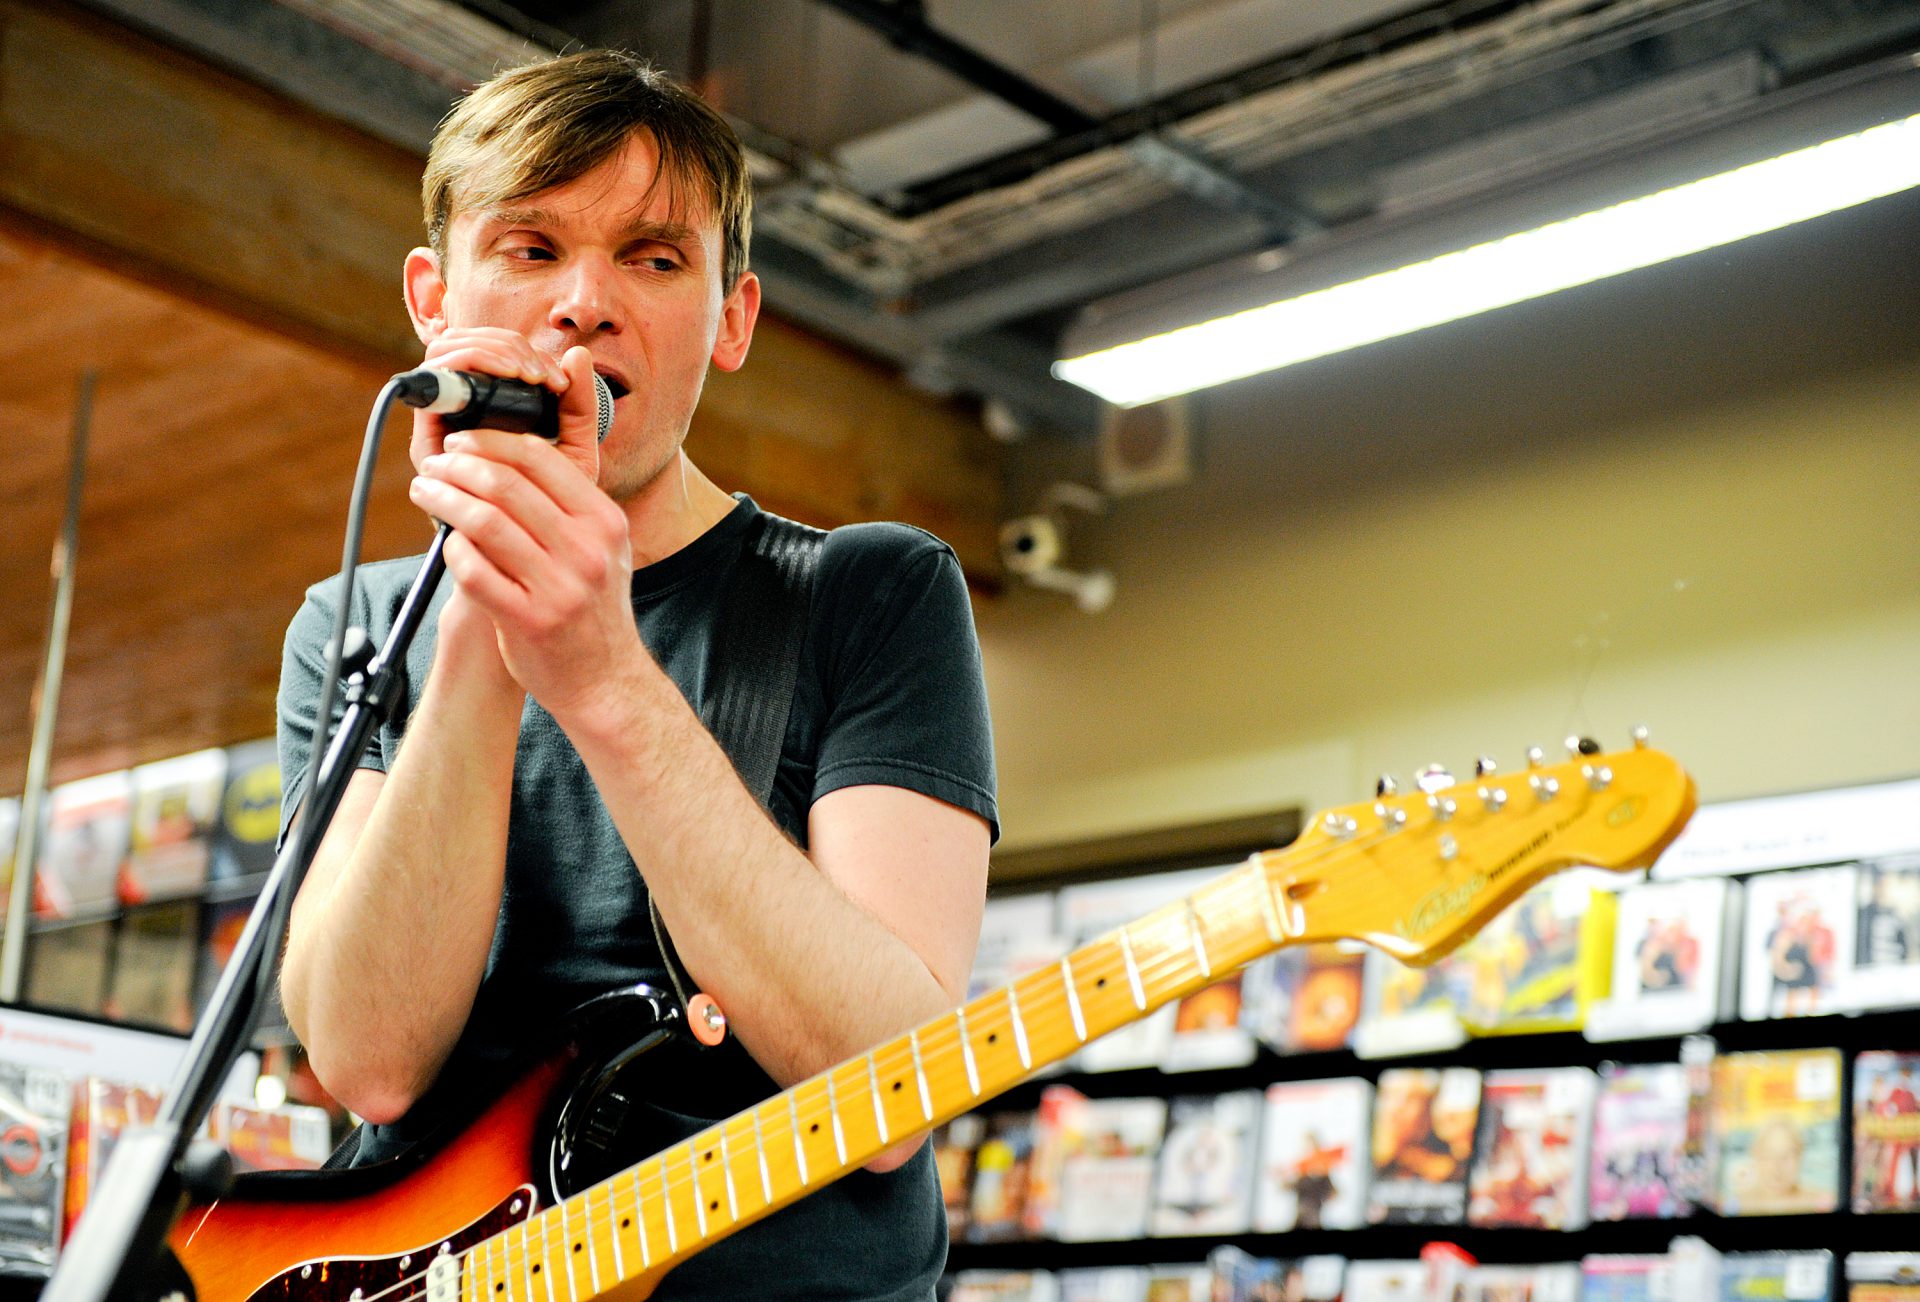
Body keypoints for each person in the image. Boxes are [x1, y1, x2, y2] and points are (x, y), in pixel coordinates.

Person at [273, 49, 997, 1301]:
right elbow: (368, 1062)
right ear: (433, 301)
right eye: (531, 247)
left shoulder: (870, 593)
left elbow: (893, 1092)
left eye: (654, 260)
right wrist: (481, 623)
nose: (583, 304)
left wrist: (604, 675)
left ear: (732, 321)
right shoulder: (356, 623)